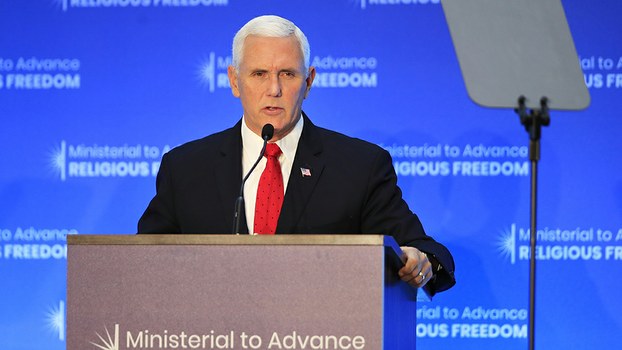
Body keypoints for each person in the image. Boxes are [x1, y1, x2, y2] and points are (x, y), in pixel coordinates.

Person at [138, 15, 455, 295]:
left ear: (309, 81)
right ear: (235, 81)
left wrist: (422, 262)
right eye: (259, 73)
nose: (273, 88)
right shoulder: (186, 168)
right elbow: (140, 264)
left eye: (287, 74)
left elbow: (427, 252)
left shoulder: (360, 166)